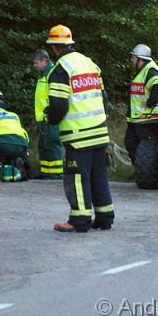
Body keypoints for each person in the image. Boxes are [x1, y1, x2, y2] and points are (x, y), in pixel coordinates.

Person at [45, 24, 114, 233]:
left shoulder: (61, 69)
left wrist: (51, 118)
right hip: (99, 131)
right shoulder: (89, 63)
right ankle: (104, 217)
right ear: (70, 43)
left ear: (53, 47)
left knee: (76, 177)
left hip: (77, 135)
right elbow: (104, 98)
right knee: (98, 176)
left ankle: (79, 220)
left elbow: (59, 105)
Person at [124, 44, 158, 166]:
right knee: (130, 142)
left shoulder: (151, 71)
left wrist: (149, 104)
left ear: (140, 59)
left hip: (149, 118)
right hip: (138, 118)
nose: (131, 60)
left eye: (133, 57)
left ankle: (146, 170)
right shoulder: (142, 71)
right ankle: (140, 169)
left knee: (144, 146)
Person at [33, 49, 63, 178]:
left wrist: (50, 112)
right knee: (44, 145)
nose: (34, 66)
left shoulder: (52, 74)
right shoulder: (44, 75)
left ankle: (56, 173)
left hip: (51, 117)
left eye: (36, 63)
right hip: (43, 118)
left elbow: (55, 96)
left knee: (53, 144)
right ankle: (46, 171)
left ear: (45, 61)